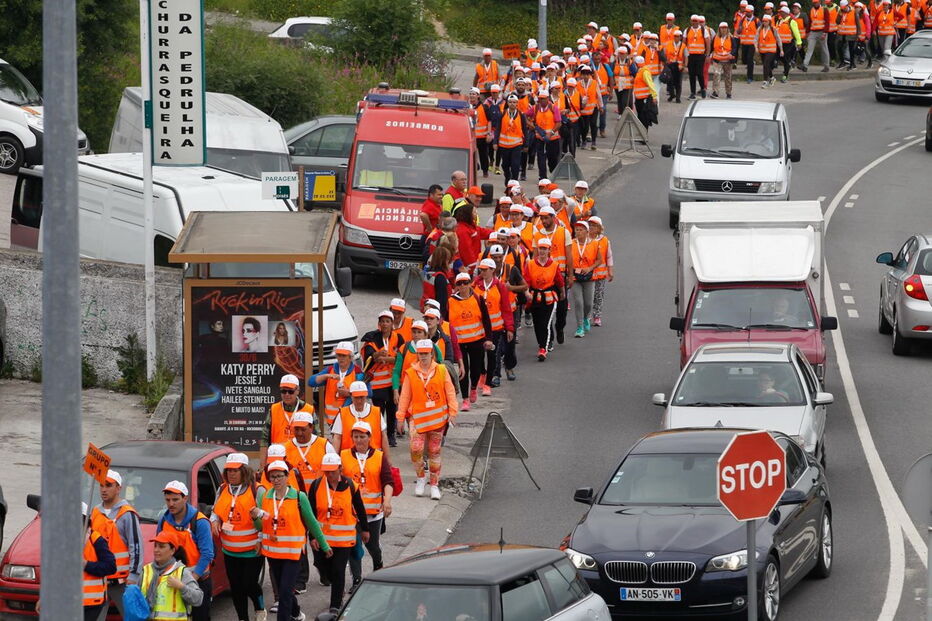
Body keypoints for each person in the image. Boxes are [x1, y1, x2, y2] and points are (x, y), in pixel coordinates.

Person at [252, 460, 332, 621]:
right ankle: (296, 613)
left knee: (285, 592)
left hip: (293, 554)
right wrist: (254, 518)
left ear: (287, 477)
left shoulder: (298, 497)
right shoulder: (266, 498)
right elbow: (261, 526)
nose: (276, 480)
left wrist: (324, 545)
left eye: (279, 476)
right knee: (284, 590)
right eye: (272, 477)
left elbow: (312, 523)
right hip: (273, 554)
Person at [396, 340, 459, 499]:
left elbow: (450, 392)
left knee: (434, 452)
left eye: (426, 353)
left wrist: (453, 412)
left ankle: (434, 485)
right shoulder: (411, 373)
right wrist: (400, 417)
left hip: (437, 420)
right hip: (417, 419)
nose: (423, 356)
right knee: (416, 449)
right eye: (420, 353)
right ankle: (421, 478)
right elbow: (405, 396)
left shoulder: (442, 370)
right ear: (417, 354)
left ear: (432, 354)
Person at [308, 453, 368, 613]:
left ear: (340, 469)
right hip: (323, 540)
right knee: (323, 568)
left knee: (338, 569)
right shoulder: (315, 486)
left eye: (333, 471)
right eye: (326, 471)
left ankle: (335, 604)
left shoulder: (351, 485)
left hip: (344, 540)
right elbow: (311, 514)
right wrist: (312, 537)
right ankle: (337, 587)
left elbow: (360, 508)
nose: (329, 475)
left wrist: (365, 530)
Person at [209, 453, 266, 621]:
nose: (231, 474)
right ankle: (243, 618)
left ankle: (259, 608)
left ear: (245, 471)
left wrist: (261, 539)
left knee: (249, 584)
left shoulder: (258, 490)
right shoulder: (222, 489)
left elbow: (266, 519)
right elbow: (215, 510)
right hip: (229, 550)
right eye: (228, 471)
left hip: (252, 550)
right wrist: (214, 520)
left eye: (235, 470)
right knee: (236, 587)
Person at [341, 421, 394, 586]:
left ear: (369, 437)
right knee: (354, 548)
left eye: (362, 436)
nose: (359, 440)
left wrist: (387, 501)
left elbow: (388, 481)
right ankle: (356, 580)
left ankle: (378, 565)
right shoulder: (343, 455)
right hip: (352, 514)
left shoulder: (379, 456)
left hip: (373, 513)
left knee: (372, 546)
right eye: (355, 437)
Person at [156, 481, 214, 621]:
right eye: (168, 500)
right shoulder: (164, 520)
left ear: (185, 498)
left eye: (175, 499)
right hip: (171, 581)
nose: (171, 504)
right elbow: (159, 549)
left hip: (198, 580)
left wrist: (191, 580)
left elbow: (207, 554)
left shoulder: (200, 521)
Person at [89, 469, 141, 620]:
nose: (103, 489)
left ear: (119, 488)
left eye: (108, 485)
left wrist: (133, 575)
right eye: (101, 485)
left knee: (132, 617)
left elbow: (136, 547)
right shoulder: (95, 512)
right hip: (99, 579)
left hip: (122, 581)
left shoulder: (127, 514)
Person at [448, 272, 495, 411]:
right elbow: (445, 322)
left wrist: (489, 339)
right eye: (459, 283)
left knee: (475, 369)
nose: (462, 286)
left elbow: (486, 321)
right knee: (463, 371)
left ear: (470, 284)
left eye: (465, 282)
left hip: (476, 340)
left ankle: (474, 387)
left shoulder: (478, 299)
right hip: (459, 342)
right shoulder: (450, 302)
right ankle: (465, 400)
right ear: (456, 286)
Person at [361, 310, 405, 446]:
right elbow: (369, 357)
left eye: (388, 321)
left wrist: (386, 358)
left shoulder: (398, 338)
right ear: (379, 323)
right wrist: (377, 355)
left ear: (392, 323)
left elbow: (402, 358)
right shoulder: (372, 339)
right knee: (379, 411)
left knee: (392, 410)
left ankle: (391, 435)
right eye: (382, 321)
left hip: (393, 382)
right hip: (378, 383)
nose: (385, 324)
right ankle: (380, 435)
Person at [533, 204, 574, 344]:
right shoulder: (537, 235)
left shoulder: (564, 232)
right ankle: (548, 339)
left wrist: (570, 275)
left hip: (560, 276)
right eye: (541, 218)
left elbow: (569, 255)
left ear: (553, 218)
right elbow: (534, 258)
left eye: (546, 218)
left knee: (562, 309)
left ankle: (560, 327)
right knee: (545, 309)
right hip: (544, 278)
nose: (543, 221)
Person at [140, 532, 204, 621]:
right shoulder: (146, 570)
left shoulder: (182, 572)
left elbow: (198, 599)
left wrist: (182, 587)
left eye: (161, 547)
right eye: (155, 546)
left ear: (172, 550)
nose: (156, 550)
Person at [523, 238, 565, 361]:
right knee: (537, 323)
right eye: (540, 248)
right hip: (534, 297)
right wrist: (526, 293)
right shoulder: (530, 264)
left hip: (549, 298)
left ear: (549, 250)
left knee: (545, 323)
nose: (542, 251)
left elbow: (559, 281)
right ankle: (541, 343)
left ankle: (543, 348)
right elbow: (526, 281)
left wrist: (562, 293)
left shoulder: (554, 265)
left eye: (544, 249)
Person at [308, 341, 366, 430]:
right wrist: (326, 376)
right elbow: (310, 382)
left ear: (350, 357)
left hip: (351, 418)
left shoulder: (358, 372)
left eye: (344, 356)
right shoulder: (330, 370)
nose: (341, 358)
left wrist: (350, 393)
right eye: (339, 355)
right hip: (332, 422)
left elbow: (369, 393)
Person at [260, 374, 316, 463]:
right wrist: (262, 465)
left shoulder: (309, 409)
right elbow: (264, 439)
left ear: (298, 390)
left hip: (300, 457)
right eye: (283, 391)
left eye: (290, 391)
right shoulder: (274, 409)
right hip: (277, 457)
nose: (286, 394)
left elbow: (317, 437)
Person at [78, 502, 116, 621]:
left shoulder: (96, 540)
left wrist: (86, 564)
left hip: (91, 604)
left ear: (86, 522)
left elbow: (110, 567)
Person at [332, 380, 389, 452]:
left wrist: (387, 460)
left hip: (372, 458)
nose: (359, 401)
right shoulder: (343, 413)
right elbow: (337, 438)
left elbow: (383, 436)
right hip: (349, 459)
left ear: (366, 396)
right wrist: (335, 458)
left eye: (362, 397)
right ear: (351, 396)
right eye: (356, 397)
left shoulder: (376, 412)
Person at [570, 220, 604, 338]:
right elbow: (568, 259)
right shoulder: (571, 243)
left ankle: (586, 318)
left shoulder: (594, 243)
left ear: (586, 231)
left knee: (588, 303)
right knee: (578, 302)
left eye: (580, 230)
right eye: (576, 230)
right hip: (575, 276)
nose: (578, 232)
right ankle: (579, 327)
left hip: (589, 277)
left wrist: (590, 268)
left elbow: (599, 260)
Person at [527, 88, 563, 178]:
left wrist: (550, 133)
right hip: (540, 139)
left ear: (548, 99)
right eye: (540, 98)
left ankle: (553, 172)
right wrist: (530, 124)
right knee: (541, 159)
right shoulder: (535, 108)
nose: (542, 101)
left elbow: (558, 123)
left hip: (553, 139)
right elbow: (524, 115)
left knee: (553, 159)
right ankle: (542, 177)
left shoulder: (554, 108)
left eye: (544, 98)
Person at [588, 217, 614, 328]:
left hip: (600, 275)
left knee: (599, 296)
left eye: (593, 226)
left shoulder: (605, 240)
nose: (591, 228)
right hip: (588, 275)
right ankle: (587, 317)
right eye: (589, 225)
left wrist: (610, 271)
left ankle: (597, 316)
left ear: (599, 228)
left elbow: (609, 256)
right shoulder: (585, 240)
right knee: (589, 297)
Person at [497, 95, 527, 184]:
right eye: (510, 102)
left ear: (517, 103)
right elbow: (498, 129)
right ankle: (507, 175)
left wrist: (526, 144)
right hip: (504, 144)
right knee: (505, 165)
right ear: (507, 103)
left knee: (515, 165)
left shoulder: (521, 115)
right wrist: (495, 142)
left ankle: (514, 181)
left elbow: (525, 130)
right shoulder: (502, 114)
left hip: (516, 145)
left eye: (514, 102)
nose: (512, 104)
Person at [801, 0, 833, 69]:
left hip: (822, 32)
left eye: (816, 2)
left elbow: (827, 22)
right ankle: (805, 65)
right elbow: (809, 22)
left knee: (824, 49)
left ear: (819, 2)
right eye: (814, 2)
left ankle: (826, 66)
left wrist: (825, 32)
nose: (815, 3)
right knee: (809, 48)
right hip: (813, 32)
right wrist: (807, 32)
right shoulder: (811, 10)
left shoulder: (824, 10)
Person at [710, 22, 738, 98]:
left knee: (728, 77)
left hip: (728, 61)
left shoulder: (731, 37)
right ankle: (715, 92)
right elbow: (712, 47)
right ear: (719, 29)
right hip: (717, 60)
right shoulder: (715, 37)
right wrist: (710, 55)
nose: (724, 29)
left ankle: (728, 93)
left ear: (727, 29)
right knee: (716, 75)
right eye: (722, 28)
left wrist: (732, 54)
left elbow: (735, 48)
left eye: (725, 28)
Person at [686, 15, 710, 98]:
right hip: (690, 55)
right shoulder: (687, 30)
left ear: (698, 21)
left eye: (696, 20)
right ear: (690, 21)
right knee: (691, 74)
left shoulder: (703, 30)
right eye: (693, 20)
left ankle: (703, 89)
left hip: (700, 55)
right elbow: (684, 43)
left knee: (700, 73)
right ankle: (692, 92)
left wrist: (707, 55)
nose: (694, 22)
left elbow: (708, 43)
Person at [576, 66, 600, 149]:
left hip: (593, 108)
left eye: (587, 74)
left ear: (590, 75)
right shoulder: (578, 84)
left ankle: (594, 142)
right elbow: (576, 96)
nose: (585, 76)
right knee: (584, 127)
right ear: (581, 75)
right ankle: (584, 141)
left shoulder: (594, 83)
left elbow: (599, 95)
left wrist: (601, 106)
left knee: (593, 124)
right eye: (584, 74)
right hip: (583, 109)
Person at [633, 56, 659, 131]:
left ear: (637, 64)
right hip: (639, 98)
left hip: (644, 99)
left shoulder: (644, 72)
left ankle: (643, 136)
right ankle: (642, 135)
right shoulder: (640, 71)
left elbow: (651, 84)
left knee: (644, 118)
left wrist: (654, 96)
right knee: (640, 118)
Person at [756, 14, 784, 87]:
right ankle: (772, 78)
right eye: (763, 21)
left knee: (766, 64)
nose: (764, 22)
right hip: (762, 51)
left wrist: (781, 50)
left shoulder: (773, 29)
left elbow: (778, 39)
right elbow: (755, 39)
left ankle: (765, 81)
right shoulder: (760, 29)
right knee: (767, 65)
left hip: (771, 50)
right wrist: (756, 47)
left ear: (769, 22)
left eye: (766, 21)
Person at [835, 0, 861, 69]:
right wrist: (840, 14)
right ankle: (842, 62)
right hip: (842, 33)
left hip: (851, 34)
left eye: (844, 7)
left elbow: (858, 24)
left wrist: (858, 34)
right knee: (839, 47)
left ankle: (852, 64)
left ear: (847, 5)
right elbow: (837, 22)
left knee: (851, 49)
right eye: (842, 7)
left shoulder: (854, 11)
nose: (843, 9)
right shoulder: (841, 11)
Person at [738, 5, 761, 82]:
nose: (746, 13)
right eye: (746, 12)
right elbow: (738, 31)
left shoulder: (756, 21)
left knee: (749, 59)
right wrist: (739, 29)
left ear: (752, 12)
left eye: (748, 12)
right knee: (744, 60)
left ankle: (750, 77)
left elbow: (760, 31)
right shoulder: (742, 19)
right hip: (744, 43)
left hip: (752, 43)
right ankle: (751, 63)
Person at [664, 30, 686, 103]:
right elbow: (665, 54)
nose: (676, 38)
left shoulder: (683, 46)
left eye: (678, 36)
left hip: (679, 66)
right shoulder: (669, 44)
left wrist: (684, 66)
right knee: (669, 81)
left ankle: (678, 97)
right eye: (675, 36)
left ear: (680, 37)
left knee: (678, 83)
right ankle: (672, 94)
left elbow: (686, 56)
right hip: (670, 65)